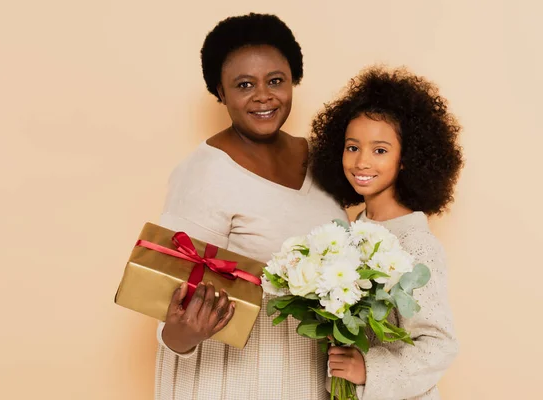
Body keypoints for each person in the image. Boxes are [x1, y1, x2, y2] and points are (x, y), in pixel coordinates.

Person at [154, 13, 347, 400]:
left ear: (294, 80)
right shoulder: (203, 174)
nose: (263, 96)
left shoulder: (324, 159)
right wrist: (180, 334)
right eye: (244, 85)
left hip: (314, 375)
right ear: (220, 93)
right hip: (235, 379)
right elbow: (167, 296)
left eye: (275, 81)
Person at [310, 66, 463, 399]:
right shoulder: (344, 236)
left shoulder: (418, 247)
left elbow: (440, 344)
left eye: (380, 150)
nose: (362, 161)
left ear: (406, 158)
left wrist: (368, 367)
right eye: (352, 147)